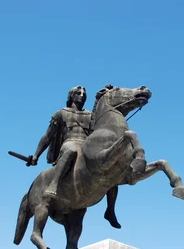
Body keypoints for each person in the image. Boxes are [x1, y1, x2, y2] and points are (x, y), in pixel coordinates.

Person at [30, 85, 122, 228]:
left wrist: (101, 98)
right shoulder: (61, 113)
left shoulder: (89, 115)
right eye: (78, 93)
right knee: (72, 150)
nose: (82, 95)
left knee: (110, 168)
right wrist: (36, 155)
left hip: (87, 147)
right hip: (69, 143)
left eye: (84, 93)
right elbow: (47, 136)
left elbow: (102, 119)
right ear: (71, 96)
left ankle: (110, 210)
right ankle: (53, 184)